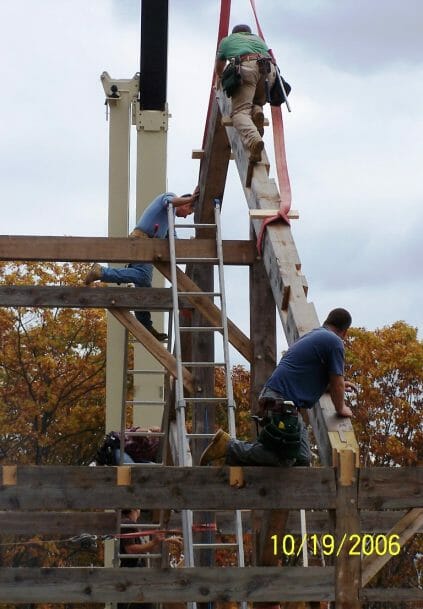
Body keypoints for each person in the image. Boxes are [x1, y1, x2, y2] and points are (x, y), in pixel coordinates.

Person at [200, 308, 357, 467]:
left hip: (280, 398)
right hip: (281, 401)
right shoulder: (334, 342)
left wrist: (334, 386)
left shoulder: (316, 335)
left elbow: (307, 376)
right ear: (344, 332)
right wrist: (341, 408)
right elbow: (337, 381)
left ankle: (236, 455)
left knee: (302, 458)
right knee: (284, 458)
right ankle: (228, 447)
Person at [84, 188, 199, 341]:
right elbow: (171, 201)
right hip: (141, 241)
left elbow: (174, 242)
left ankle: (145, 325)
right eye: (189, 213)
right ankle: (102, 272)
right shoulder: (169, 197)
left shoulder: (169, 221)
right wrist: (191, 198)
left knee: (143, 289)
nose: (185, 217)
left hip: (147, 244)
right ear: (186, 205)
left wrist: (191, 246)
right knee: (143, 277)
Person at [215, 24, 277, 162]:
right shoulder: (258, 40)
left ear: (234, 33)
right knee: (257, 99)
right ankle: (257, 111)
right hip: (268, 70)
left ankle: (254, 140)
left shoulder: (227, 40)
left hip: (247, 67)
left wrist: (221, 79)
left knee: (240, 112)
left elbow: (219, 66)